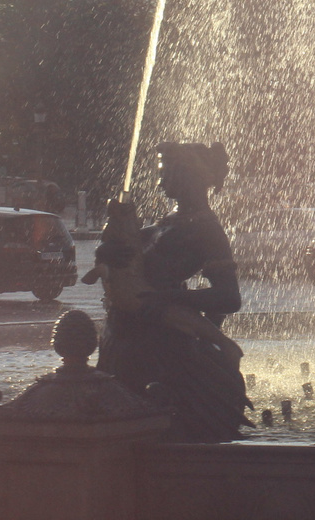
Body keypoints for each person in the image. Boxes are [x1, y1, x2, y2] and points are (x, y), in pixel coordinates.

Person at [96, 143, 248, 442]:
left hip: (162, 352)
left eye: (168, 174)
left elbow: (230, 297)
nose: (160, 182)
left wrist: (170, 298)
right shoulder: (167, 221)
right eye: (159, 174)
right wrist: (106, 251)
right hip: (125, 339)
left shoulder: (207, 229)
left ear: (194, 175)